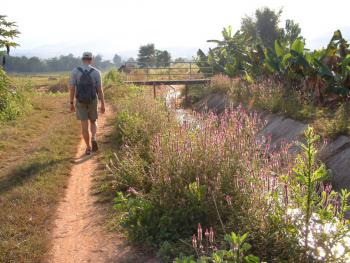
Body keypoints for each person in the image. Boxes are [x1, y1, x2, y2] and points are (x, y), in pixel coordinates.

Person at [69, 52, 105, 155]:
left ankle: (88, 148)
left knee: (84, 125)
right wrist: (103, 103)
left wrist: (71, 103)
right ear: (91, 60)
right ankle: (93, 138)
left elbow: (72, 88)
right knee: (93, 121)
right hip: (93, 100)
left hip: (80, 101)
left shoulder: (75, 71)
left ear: (82, 59)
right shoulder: (96, 72)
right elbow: (100, 90)